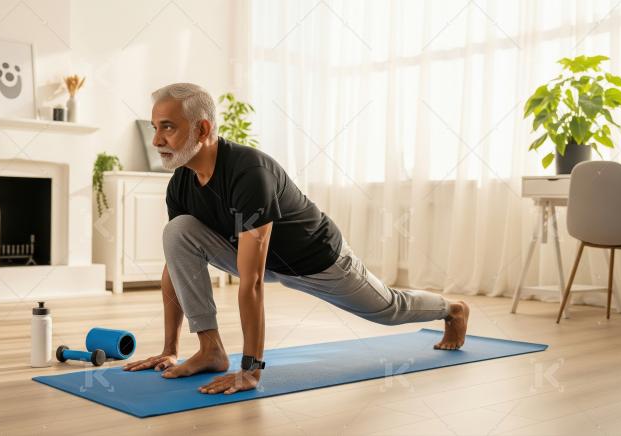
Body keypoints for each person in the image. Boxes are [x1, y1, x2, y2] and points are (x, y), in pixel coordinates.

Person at [123, 83, 470, 395]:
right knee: (178, 231)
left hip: (317, 260)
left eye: (167, 127)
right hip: (258, 257)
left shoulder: (249, 173)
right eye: (155, 128)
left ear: (202, 129)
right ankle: (210, 350)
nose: (156, 141)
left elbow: (253, 282)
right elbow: (176, 265)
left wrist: (251, 369)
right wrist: (170, 348)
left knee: (388, 309)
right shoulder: (181, 184)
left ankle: (451, 309)